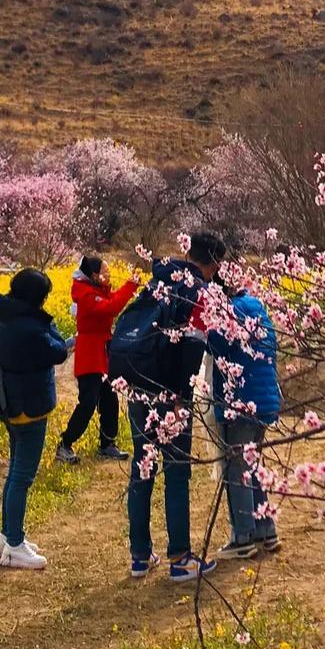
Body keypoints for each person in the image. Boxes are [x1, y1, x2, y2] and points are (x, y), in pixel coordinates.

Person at [124, 231, 227, 583]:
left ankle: (139, 556)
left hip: (137, 386)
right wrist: (183, 393)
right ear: (214, 263)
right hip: (170, 393)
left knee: (142, 465)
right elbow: (194, 347)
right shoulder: (199, 292)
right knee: (177, 470)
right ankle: (180, 557)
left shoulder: (157, 282)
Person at [0, 267, 73, 570]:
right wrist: (47, 322)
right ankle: (14, 545)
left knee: (14, 473)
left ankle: (7, 536)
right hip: (29, 408)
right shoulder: (30, 327)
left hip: (12, 404)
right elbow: (59, 351)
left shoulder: (6, 316)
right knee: (22, 477)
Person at [208, 286, 282, 559]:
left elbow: (213, 342)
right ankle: (266, 529)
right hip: (265, 400)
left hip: (241, 402)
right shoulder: (258, 309)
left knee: (237, 467)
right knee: (251, 465)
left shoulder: (229, 311)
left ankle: (243, 537)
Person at [56, 256, 140, 464]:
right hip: (89, 353)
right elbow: (111, 307)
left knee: (110, 399)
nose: (109, 274)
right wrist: (130, 286)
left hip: (103, 350)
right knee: (88, 402)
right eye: (105, 271)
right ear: (94, 275)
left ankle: (107, 443)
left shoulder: (98, 290)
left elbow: (112, 300)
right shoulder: (85, 294)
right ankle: (65, 443)